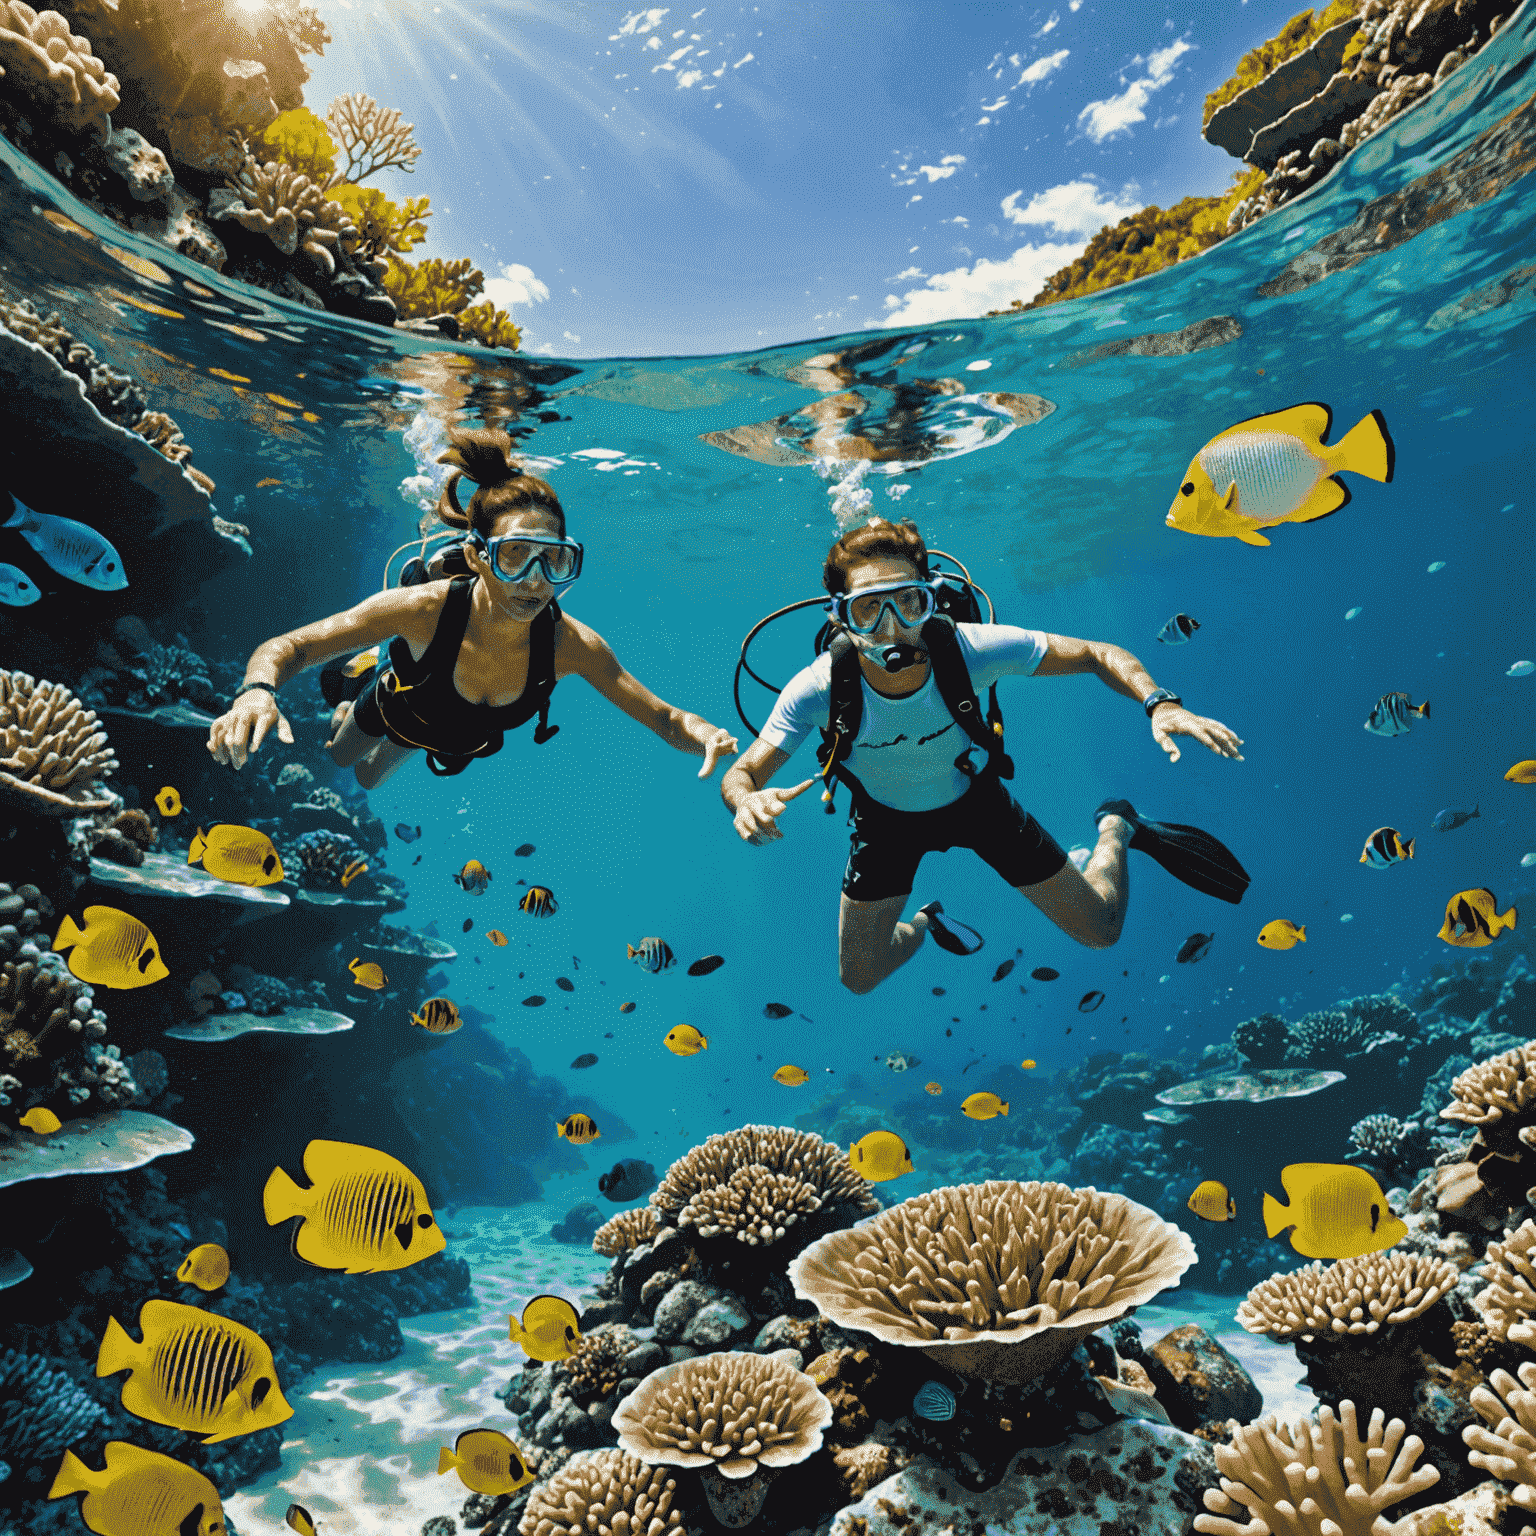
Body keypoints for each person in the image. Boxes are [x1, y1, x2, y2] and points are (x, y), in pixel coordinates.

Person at [720, 518, 1249, 995]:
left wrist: (1159, 703)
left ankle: (1117, 827)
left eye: (907, 604)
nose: (890, 628)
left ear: (929, 600)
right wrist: (744, 801)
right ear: (840, 618)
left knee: (1101, 931)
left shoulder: (974, 648)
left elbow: (1094, 653)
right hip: (884, 825)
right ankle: (928, 920)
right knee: (859, 977)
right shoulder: (815, 689)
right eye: (866, 609)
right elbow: (742, 773)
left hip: (978, 804)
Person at [207, 427, 739, 788]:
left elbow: (666, 719)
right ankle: (357, 688)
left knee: (380, 776)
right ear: (477, 557)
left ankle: (384, 702)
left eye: (552, 560)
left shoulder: (571, 645)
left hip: (467, 736)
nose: (535, 581)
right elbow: (291, 646)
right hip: (401, 706)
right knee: (346, 762)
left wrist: (707, 735)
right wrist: (256, 692)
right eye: (514, 556)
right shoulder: (423, 610)